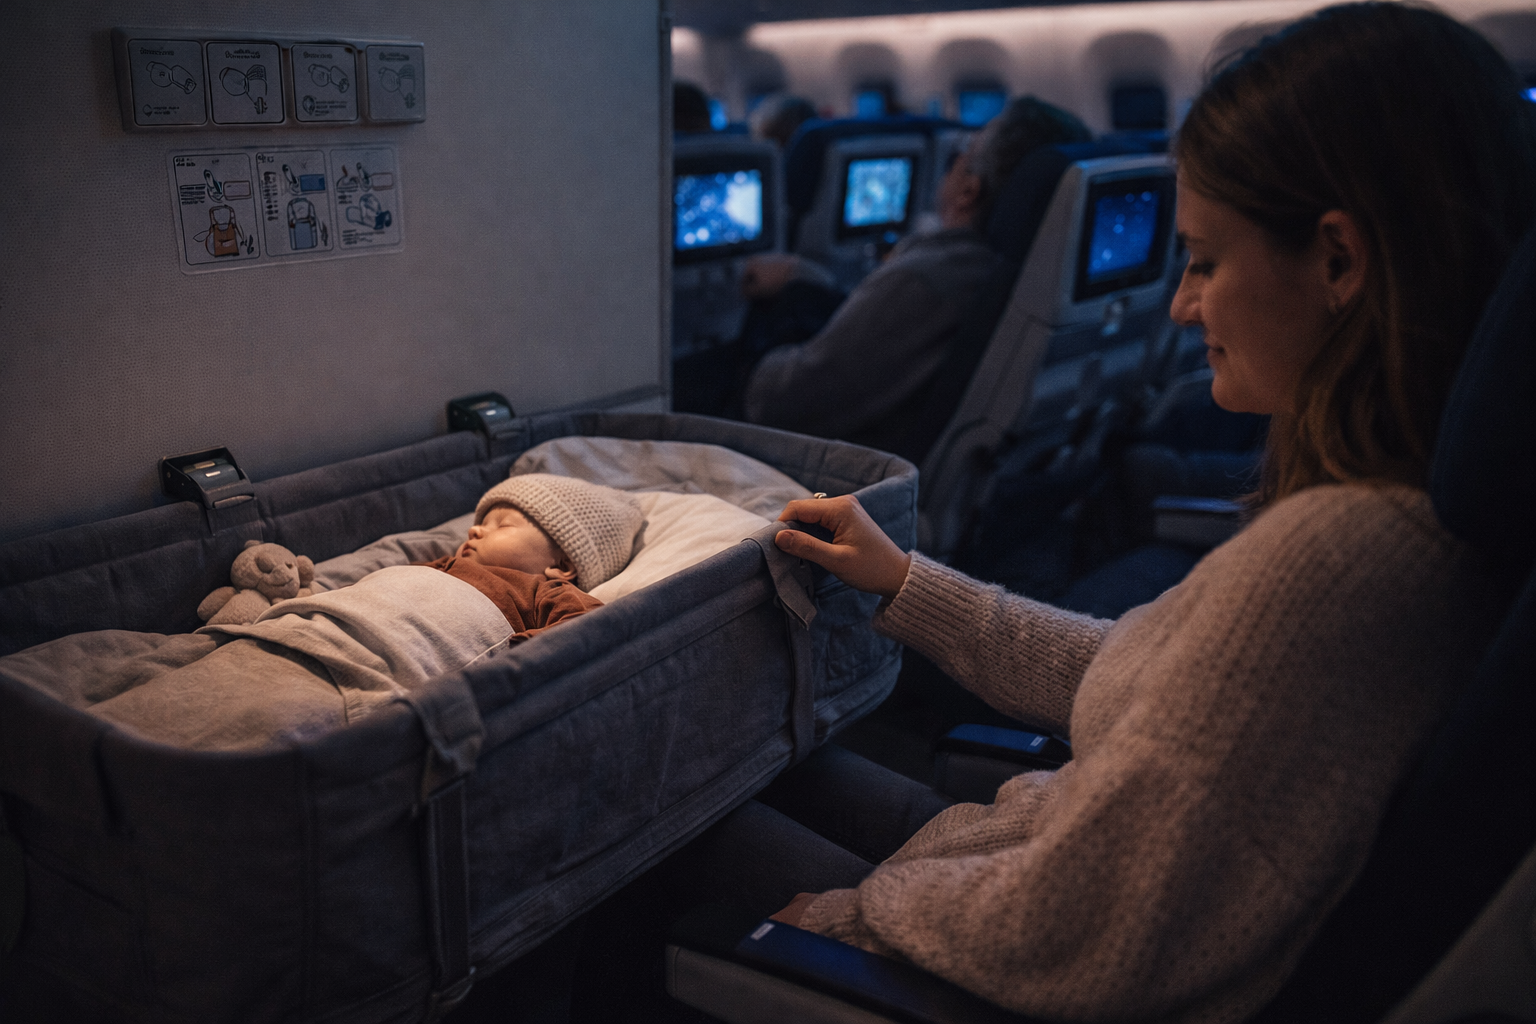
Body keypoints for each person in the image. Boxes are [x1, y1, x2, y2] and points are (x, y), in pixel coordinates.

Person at [576, 5, 1536, 1021]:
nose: (1180, 304)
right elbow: (1144, 676)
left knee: (641, 844)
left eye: (1205, 261)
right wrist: (907, 582)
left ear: (1339, 262)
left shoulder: (1329, 564)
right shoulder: (1411, 521)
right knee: (744, 780)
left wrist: (849, 922)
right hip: (1025, 852)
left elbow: (1080, 931)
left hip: (1002, 923)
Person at [683, 97, 1089, 460]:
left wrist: (775, 321)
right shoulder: (1018, 271)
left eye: (963, 153)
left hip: (851, 473)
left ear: (969, 190)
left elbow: (778, 403)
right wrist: (804, 280)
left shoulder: (929, 280)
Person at [414, 473, 642, 639]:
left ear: (562, 565)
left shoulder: (543, 593)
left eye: (503, 525)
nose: (473, 530)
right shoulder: (444, 565)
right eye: (481, 523)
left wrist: (527, 651)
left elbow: (589, 624)